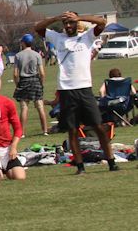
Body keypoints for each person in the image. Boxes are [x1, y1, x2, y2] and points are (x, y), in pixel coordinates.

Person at [35, 11, 117, 174]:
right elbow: (38, 28)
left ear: (76, 23)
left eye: (71, 22)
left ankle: (111, 162)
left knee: (98, 126)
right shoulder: (57, 38)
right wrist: (56, 18)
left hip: (84, 88)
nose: (68, 25)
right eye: (66, 23)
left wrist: (80, 18)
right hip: (66, 90)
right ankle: (80, 167)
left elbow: (101, 22)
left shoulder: (87, 36)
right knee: (72, 130)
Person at [12, 34, 49, 136]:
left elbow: (15, 74)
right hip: (35, 80)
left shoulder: (18, 56)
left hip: (24, 81)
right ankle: (45, 130)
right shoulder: (37, 55)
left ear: (23, 43)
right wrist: (41, 84)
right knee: (40, 106)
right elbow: (42, 73)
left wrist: (17, 84)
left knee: (24, 107)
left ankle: (22, 133)